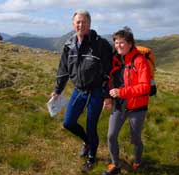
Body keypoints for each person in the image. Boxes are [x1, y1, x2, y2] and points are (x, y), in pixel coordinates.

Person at [51, 9, 113, 173]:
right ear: (73, 24)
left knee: (91, 126)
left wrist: (108, 95)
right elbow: (63, 69)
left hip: (96, 91)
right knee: (68, 122)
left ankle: (92, 157)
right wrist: (57, 91)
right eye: (78, 22)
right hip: (78, 90)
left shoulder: (100, 44)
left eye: (84, 22)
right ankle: (87, 141)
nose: (81, 25)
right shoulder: (69, 45)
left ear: (89, 24)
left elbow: (109, 72)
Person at [102, 27, 151, 175]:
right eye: (116, 42)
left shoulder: (139, 60)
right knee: (111, 136)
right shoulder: (115, 60)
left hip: (137, 107)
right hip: (119, 105)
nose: (118, 45)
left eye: (122, 42)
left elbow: (145, 87)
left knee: (135, 138)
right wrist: (108, 98)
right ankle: (115, 165)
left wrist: (121, 92)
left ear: (130, 43)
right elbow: (110, 81)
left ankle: (137, 160)